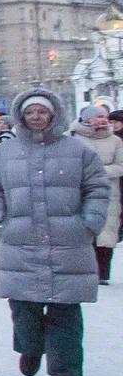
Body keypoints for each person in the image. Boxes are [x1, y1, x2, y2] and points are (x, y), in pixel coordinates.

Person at [0, 89, 109, 376]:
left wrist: (90, 222)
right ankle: (30, 347)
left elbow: (97, 187)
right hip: (20, 239)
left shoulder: (77, 150)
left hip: (68, 241)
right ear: (21, 116)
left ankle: (65, 371)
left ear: (53, 115)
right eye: (30, 112)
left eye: (42, 112)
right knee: (24, 307)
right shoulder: (6, 152)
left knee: (65, 310)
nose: (36, 117)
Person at [69, 104, 123, 284]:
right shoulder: (72, 138)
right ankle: (83, 270)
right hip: (80, 190)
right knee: (84, 231)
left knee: (106, 234)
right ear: (87, 118)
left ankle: (103, 273)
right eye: (98, 116)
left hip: (109, 192)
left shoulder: (115, 141)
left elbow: (120, 166)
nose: (103, 120)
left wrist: (99, 171)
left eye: (104, 116)